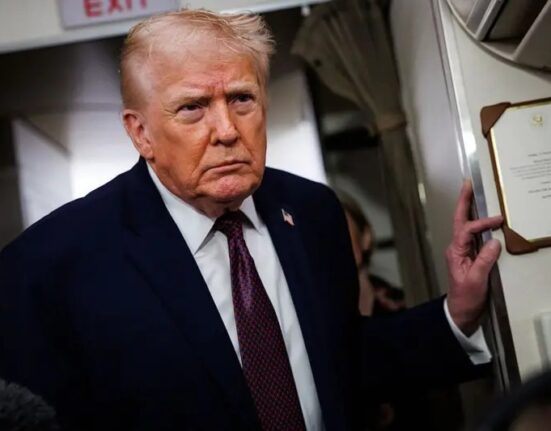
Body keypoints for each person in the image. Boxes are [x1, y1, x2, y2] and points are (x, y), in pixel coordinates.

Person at [0, 9, 503, 431]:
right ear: (140, 133)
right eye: (193, 107)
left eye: (241, 99)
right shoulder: (48, 265)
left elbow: (339, 360)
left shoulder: (312, 212)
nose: (226, 130)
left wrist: (455, 314)